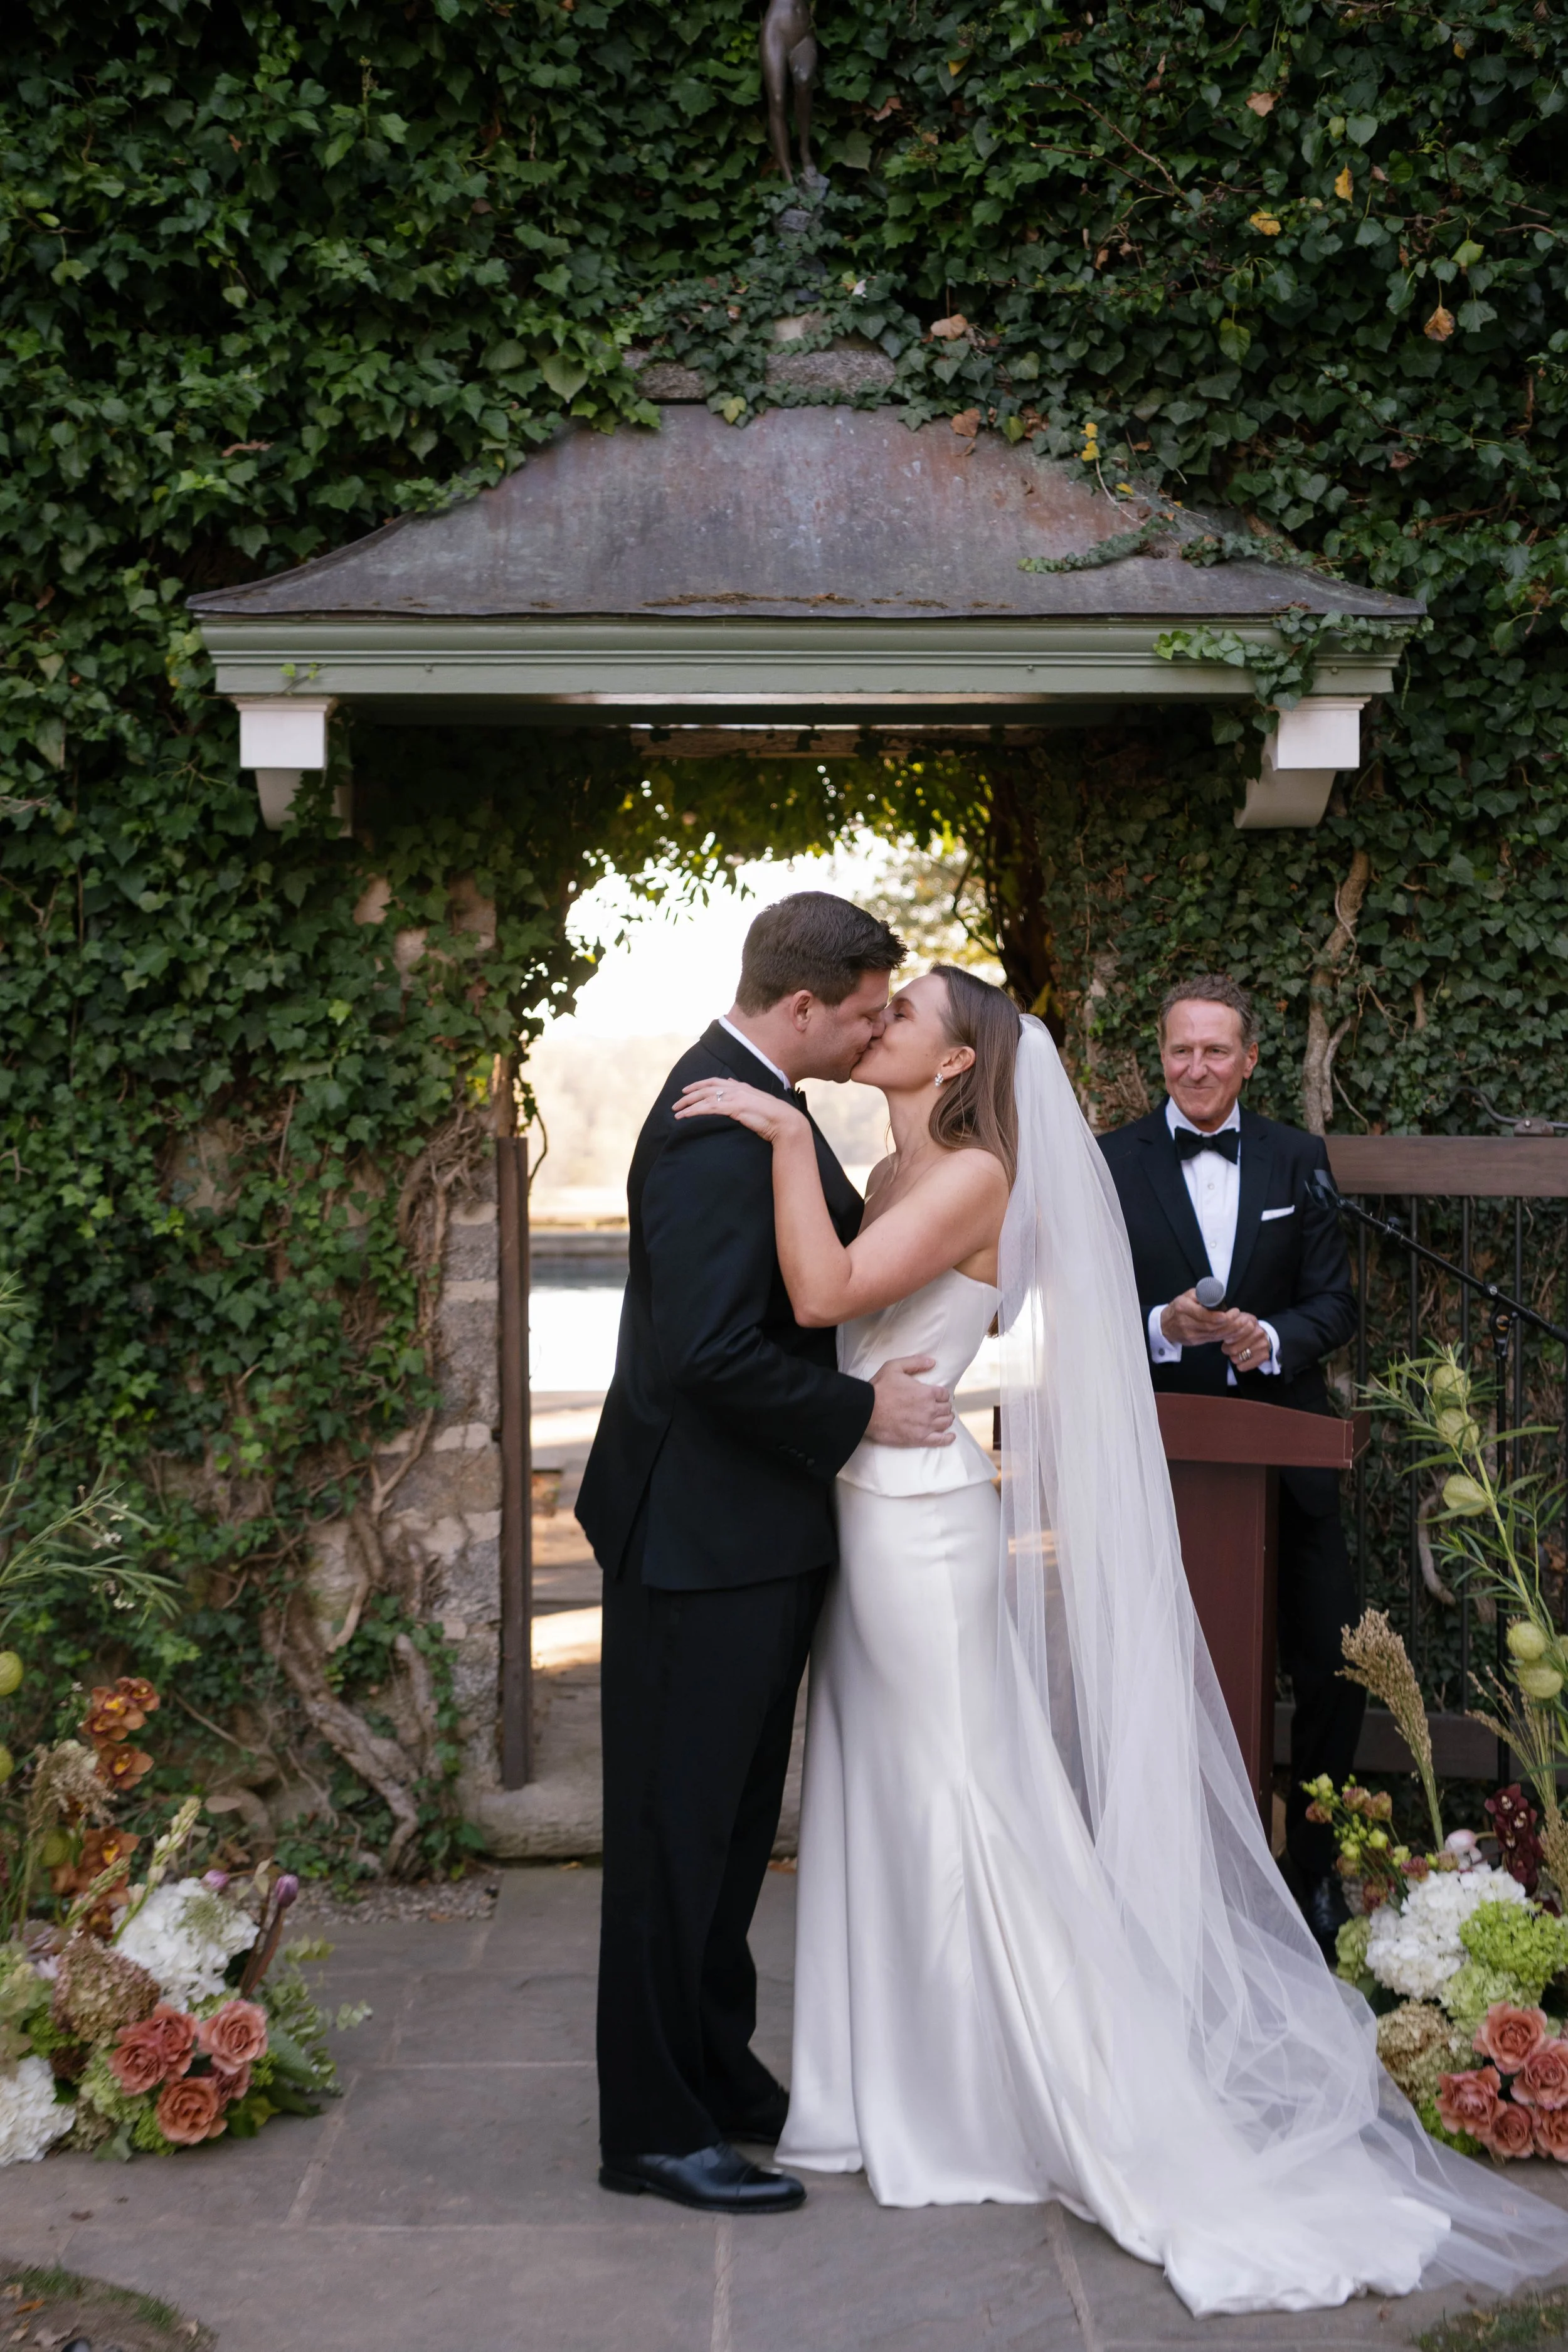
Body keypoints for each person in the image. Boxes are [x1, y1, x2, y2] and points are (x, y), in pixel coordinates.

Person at [678, 960, 1568, 2316]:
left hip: (920, 1531)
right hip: (867, 1511)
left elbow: (822, 1297)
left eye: (902, 1014)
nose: (878, 1025)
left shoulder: (974, 1177)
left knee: (966, 1804)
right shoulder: (892, 1154)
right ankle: (888, 2087)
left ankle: (1003, 2101)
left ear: (960, 1060)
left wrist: (784, 1137)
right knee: (881, 1803)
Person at [575, 892, 956, 2217]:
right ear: (801, 1005)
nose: (869, 1034)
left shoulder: (763, 1106)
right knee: (672, 1844)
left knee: (732, 1835)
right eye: (860, 1013)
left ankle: (719, 2072)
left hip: (753, 1533)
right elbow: (703, 1355)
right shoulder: (707, 1124)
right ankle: (650, 2129)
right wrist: (864, 1413)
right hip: (695, 1539)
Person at [1097, 975, 1362, 1957]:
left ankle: (1315, 1874)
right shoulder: (1110, 1162)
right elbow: (1079, 1311)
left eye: (1217, 1051)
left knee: (1333, 1659)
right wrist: (1161, 1327)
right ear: (1159, 1056)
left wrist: (1272, 1336)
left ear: (1251, 1059)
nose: (1197, 1067)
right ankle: (1166, 1876)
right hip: (1158, 1469)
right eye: (1181, 1050)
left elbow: (1335, 1307)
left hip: (1287, 1457)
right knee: (1156, 1667)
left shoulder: (1299, 1158)